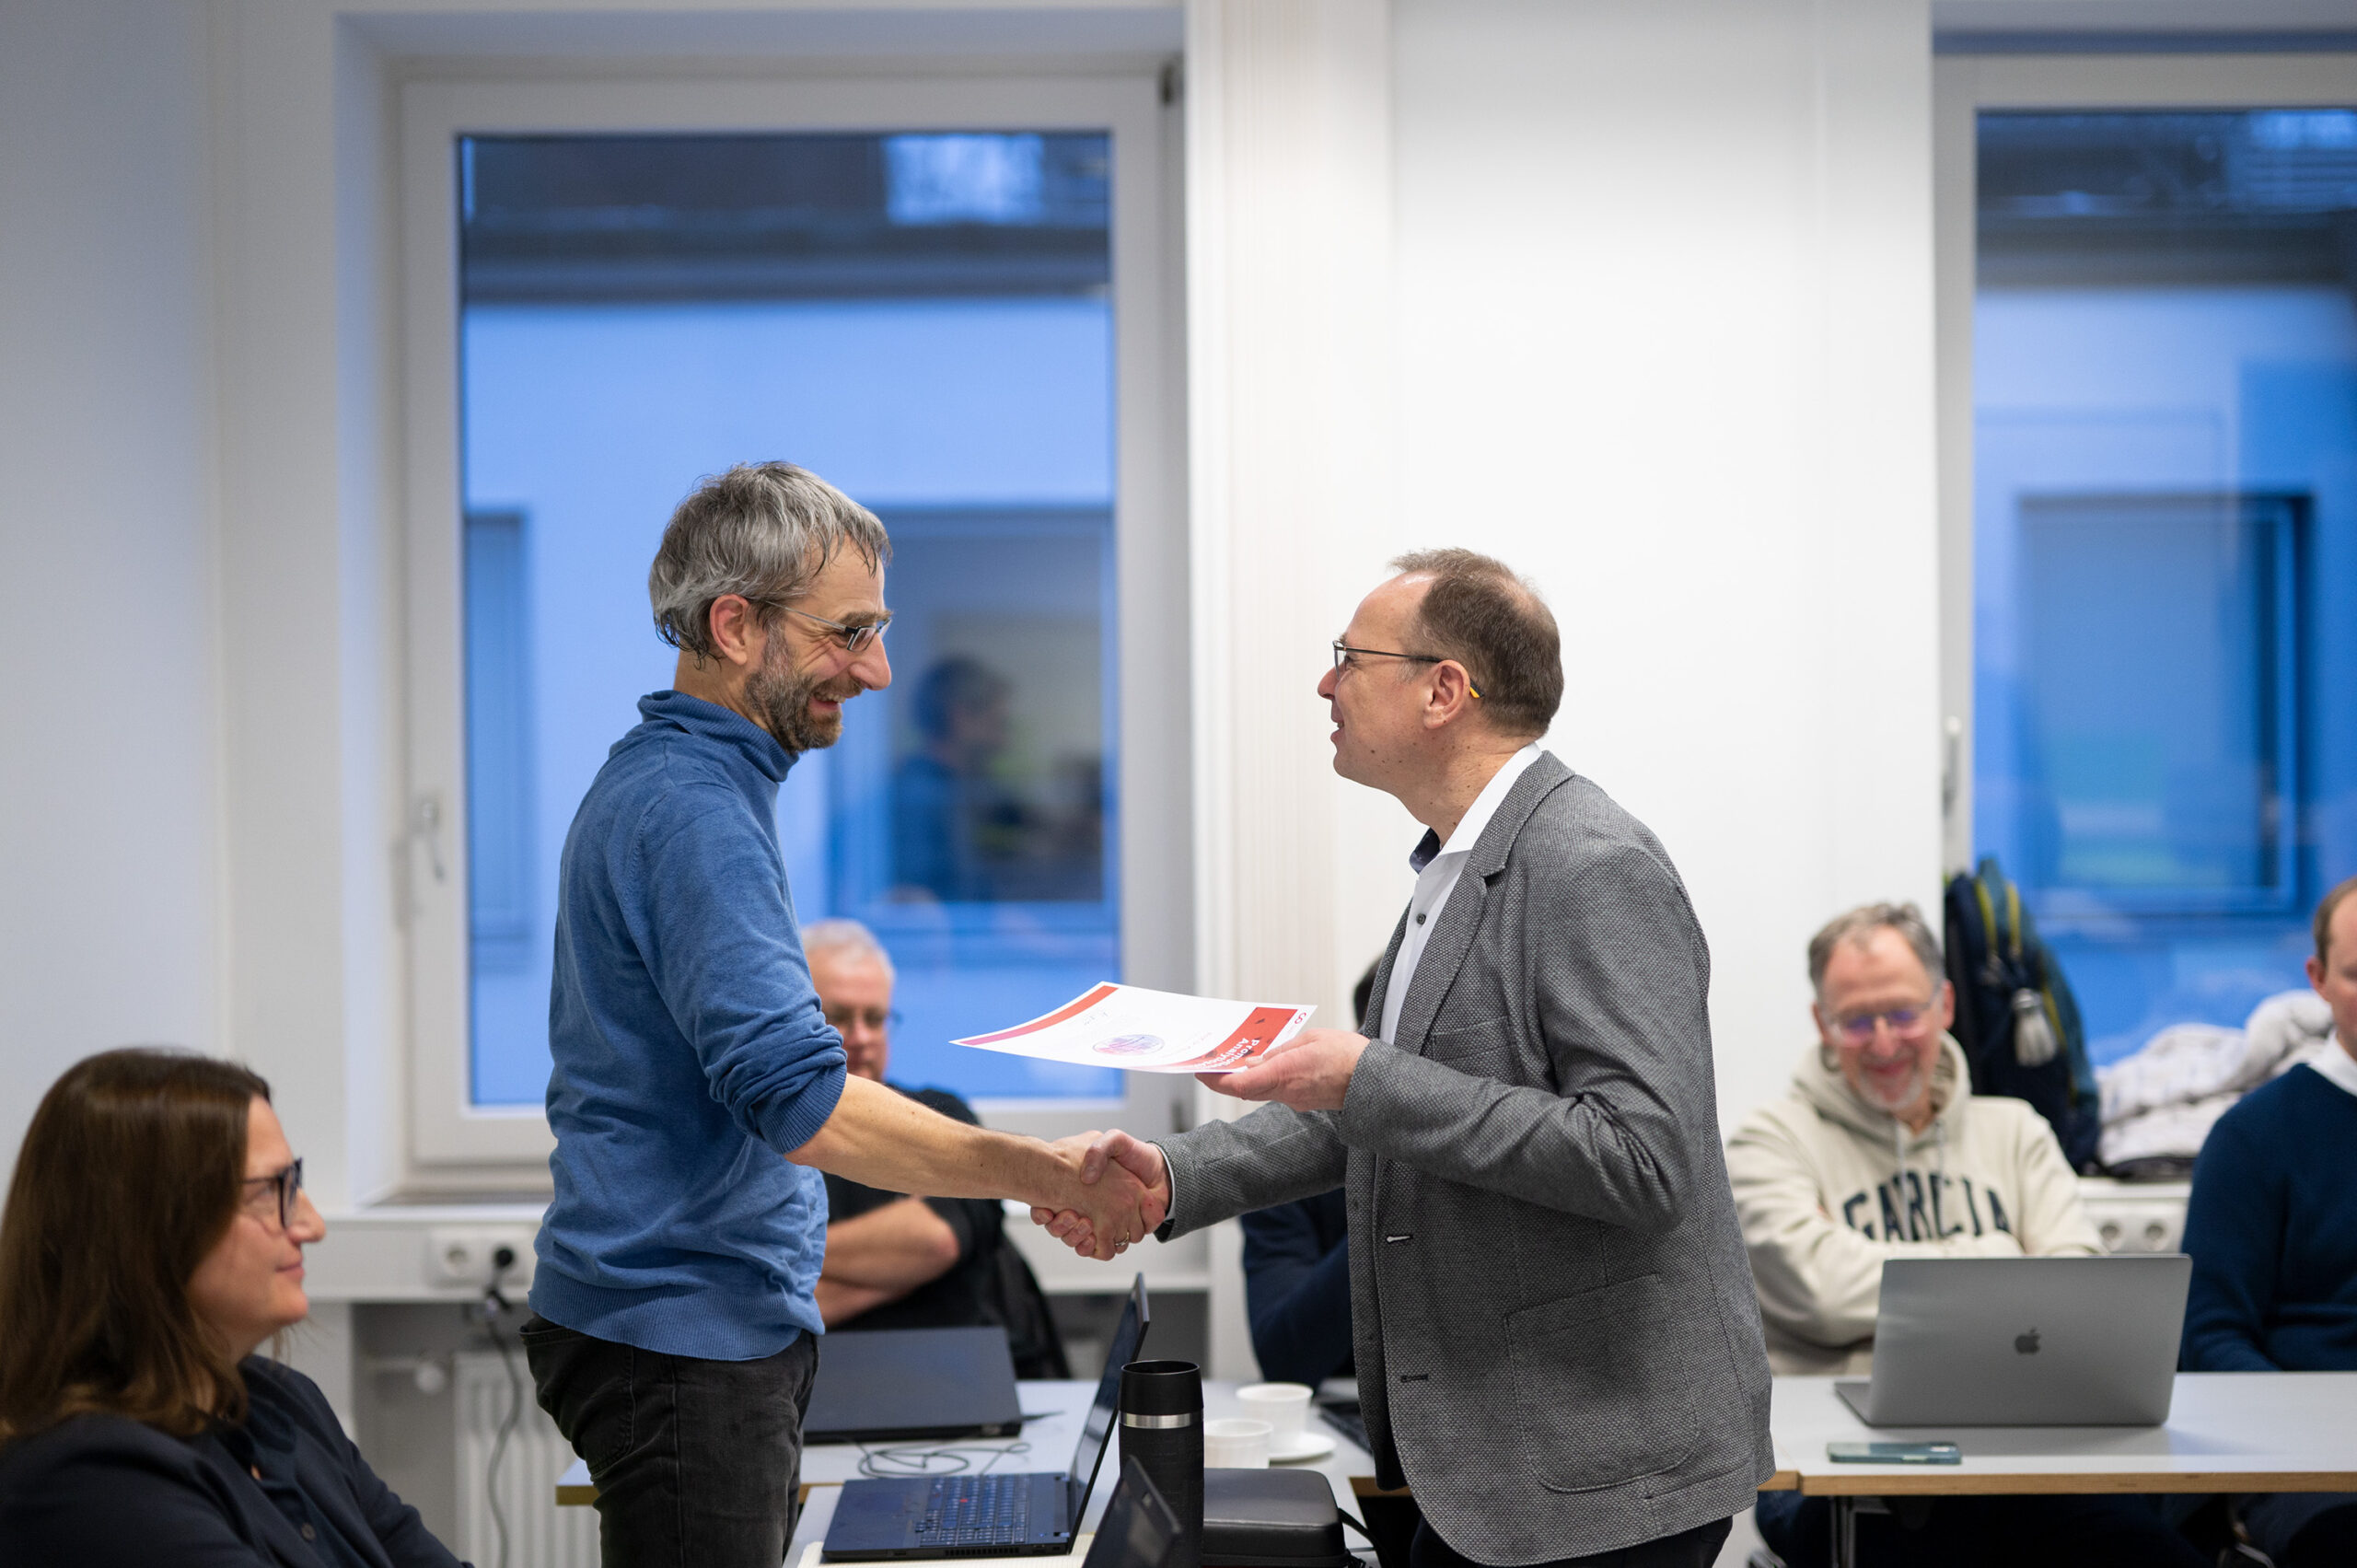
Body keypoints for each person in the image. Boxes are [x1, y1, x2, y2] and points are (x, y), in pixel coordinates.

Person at [1045, 549, 1771, 1568]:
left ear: (1444, 690)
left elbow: (1643, 1158)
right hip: (1502, 1467)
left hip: (1602, 1473)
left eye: (1348, 655)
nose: (1323, 681)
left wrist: (1364, 1075)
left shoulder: (1590, 864)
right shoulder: (1452, 868)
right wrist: (1170, 1177)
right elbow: (1369, 1110)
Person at [524, 462, 1157, 1568]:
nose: (875, 669)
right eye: (847, 632)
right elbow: (802, 1104)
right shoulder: (688, 810)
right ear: (734, 623)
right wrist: (1046, 1173)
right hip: (678, 1341)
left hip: (689, 1329)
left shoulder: (696, 786)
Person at [1729, 903, 2205, 1568]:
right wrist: (2001, 1252)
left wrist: (1895, 1282)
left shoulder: (2015, 1131)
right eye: (1857, 1021)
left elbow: (2077, 1293)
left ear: (1945, 1003)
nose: (1885, 1042)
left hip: (2022, 1453)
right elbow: (1823, 1288)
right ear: (1822, 1024)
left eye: (1903, 1013)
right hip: (1846, 1470)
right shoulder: (1769, 1143)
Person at [0, 1048, 466, 1567]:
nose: (311, 1226)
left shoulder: (281, 1401)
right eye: (270, 1191)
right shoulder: (89, 1480)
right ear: (149, 1230)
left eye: (294, 1183)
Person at [2178, 873, 2357, 1568]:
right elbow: (2210, 1335)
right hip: (2301, 1457)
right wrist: (2314, 1419)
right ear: (2317, 980)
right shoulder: (2254, 1136)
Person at [806, 918, 1068, 1377]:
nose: (862, 1037)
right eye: (840, 1017)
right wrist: (904, 1274)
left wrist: (782, 1258)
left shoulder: (939, 1115)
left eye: (876, 1018)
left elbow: (936, 1241)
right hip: (826, 1401)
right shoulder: (768, 1144)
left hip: (960, 1389)